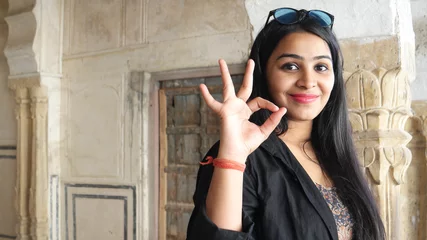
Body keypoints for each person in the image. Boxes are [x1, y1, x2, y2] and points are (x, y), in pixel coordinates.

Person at [186, 7, 385, 240]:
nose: (308, 81)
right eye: (290, 66)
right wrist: (232, 156)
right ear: (264, 73)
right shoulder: (243, 155)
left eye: (321, 67)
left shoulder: (335, 153)